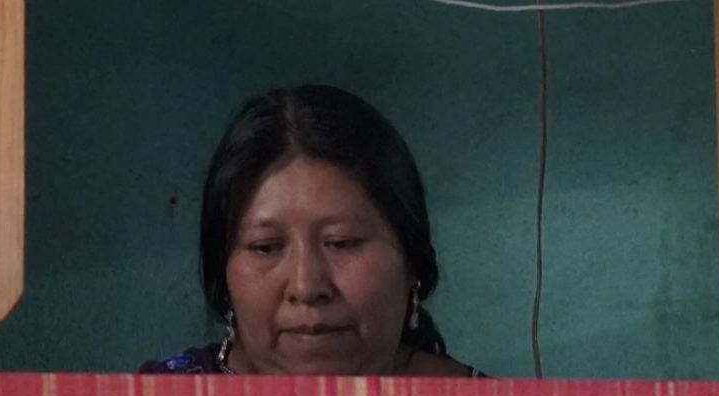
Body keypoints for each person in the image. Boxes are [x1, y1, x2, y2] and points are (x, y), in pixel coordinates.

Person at [144, 86, 480, 378]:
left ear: (411, 264)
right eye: (266, 247)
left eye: (342, 243)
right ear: (224, 274)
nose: (306, 287)